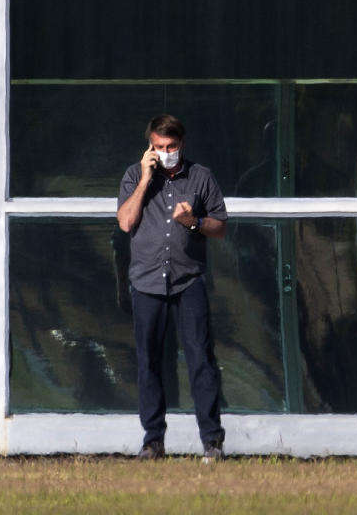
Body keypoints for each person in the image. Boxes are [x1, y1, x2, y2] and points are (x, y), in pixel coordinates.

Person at [117, 114, 228, 462]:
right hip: (147, 283)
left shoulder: (201, 176)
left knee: (200, 360)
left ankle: (212, 441)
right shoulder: (135, 176)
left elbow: (220, 226)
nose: (166, 152)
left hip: (187, 281)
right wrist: (146, 178)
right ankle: (153, 441)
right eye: (159, 147)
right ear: (150, 145)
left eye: (172, 147)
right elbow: (125, 222)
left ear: (182, 144)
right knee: (149, 363)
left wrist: (193, 222)